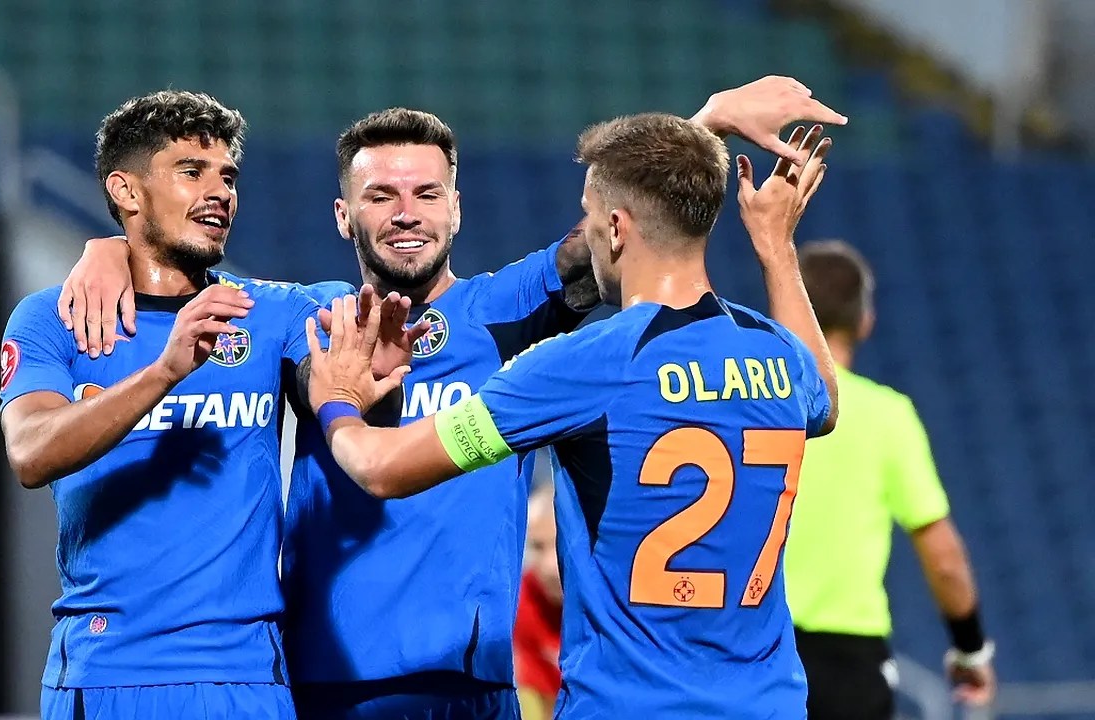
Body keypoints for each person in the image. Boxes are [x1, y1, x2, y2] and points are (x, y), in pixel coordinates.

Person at [58, 76, 848, 719]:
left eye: (427, 193)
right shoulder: (306, 320)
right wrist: (115, 246)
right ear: (343, 216)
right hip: (332, 681)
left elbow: (627, 222)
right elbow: (182, 277)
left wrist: (704, 123)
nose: (406, 212)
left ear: (457, 208)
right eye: (381, 195)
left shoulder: (504, 312)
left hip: (478, 687)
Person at [298, 115, 839, 717]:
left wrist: (338, 399)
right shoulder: (777, 351)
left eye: (589, 213)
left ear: (615, 228)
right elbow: (826, 402)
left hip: (629, 704)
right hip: (769, 703)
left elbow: (380, 469)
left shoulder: (583, 364)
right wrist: (775, 245)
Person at [0, 90, 414, 720]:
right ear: (126, 191)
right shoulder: (54, 319)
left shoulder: (272, 314)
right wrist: (164, 370)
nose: (219, 192)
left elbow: (344, 403)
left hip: (243, 676)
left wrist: (371, 383)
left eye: (228, 176)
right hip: (106, 669)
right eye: (191, 172)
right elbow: (30, 453)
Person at [782, 240, 996, 719]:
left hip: (754, 649)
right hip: (849, 665)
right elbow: (945, 559)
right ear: (865, 321)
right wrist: (971, 650)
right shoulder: (887, 416)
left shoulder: (754, 406)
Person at [514, 483, 563, 720]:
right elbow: (546, 705)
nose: (550, 566)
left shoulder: (617, 601)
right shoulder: (524, 600)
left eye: (559, 544)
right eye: (538, 547)